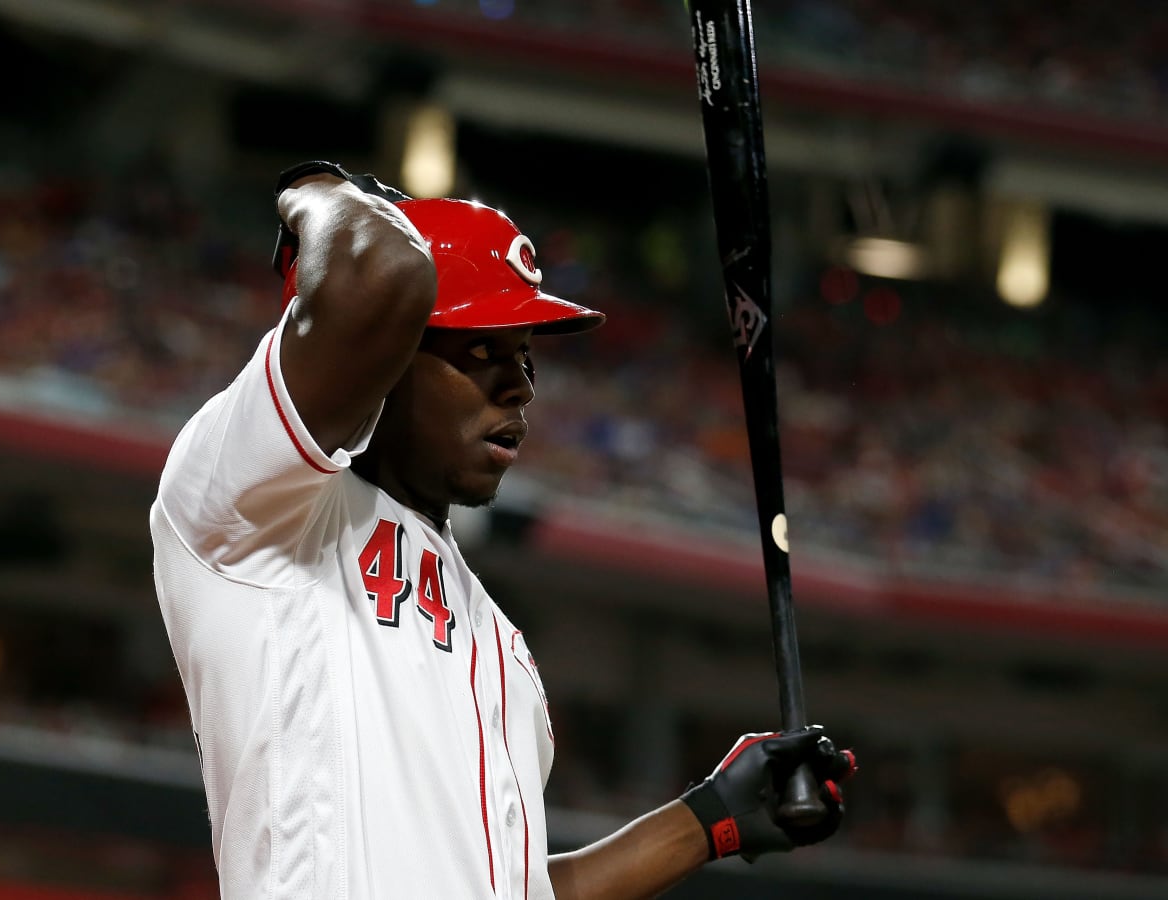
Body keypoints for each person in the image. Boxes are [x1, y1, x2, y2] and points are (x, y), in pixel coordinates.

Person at [150, 160, 855, 898]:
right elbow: (379, 272)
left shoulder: (499, 643)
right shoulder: (254, 509)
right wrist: (317, 185)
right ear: (380, 355)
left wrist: (706, 820)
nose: (519, 383)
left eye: (522, 355)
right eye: (478, 350)